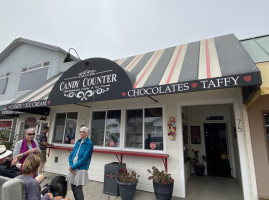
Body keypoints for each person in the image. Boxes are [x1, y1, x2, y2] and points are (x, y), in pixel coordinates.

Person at [66, 126, 93, 200]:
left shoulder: (89, 143)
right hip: (73, 167)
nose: (81, 133)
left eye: (83, 132)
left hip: (81, 168)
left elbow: (84, 159)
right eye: (80, 131)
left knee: (78, 188)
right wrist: (71, 165)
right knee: (72, 186)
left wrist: (73, 167)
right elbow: (71, 155)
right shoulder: (78, 142)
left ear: (87, 134)